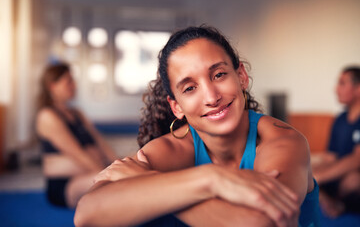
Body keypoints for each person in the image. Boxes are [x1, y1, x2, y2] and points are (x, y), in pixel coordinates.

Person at [74, 26, 319, 227]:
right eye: (190, 88)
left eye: (219, 75)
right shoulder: (173, 147)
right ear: (176, 106)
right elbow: (87, 213)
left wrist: (148, 180)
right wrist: (210, 179)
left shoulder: (284, 142)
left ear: (241, 76)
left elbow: (261, 223)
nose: (211, 97)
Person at [36, 62, 117, 208]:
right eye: (69, 81)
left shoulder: (77, 113)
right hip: (66, 184)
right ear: (52, 86)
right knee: (116, 182)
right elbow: (78, 154)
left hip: (91, 171)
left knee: (126, 175)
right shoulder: (47, 116)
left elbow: (101, 144)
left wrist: (119, 163)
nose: (74, 86)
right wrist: (107, 173)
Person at [312, 66, 360, 217]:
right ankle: (328, 201)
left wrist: (319, 176)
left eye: (342, 83)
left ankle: (336, 203)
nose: (336, 89)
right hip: (338, 173)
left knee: (353, 180)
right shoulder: (340, 119)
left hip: (353, 176)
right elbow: (331, 156)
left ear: (358, 89)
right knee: (304, 170)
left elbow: (357, 160)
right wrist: (307, 165)